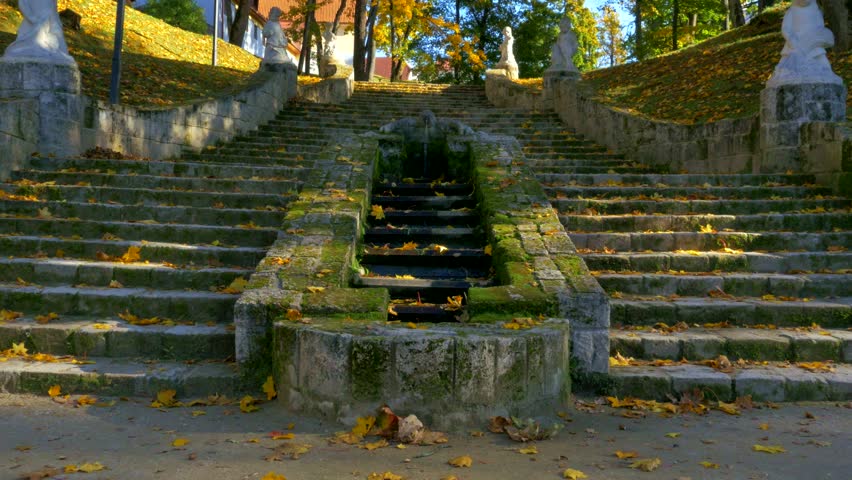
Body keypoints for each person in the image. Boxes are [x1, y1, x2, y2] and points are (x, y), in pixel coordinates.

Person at [3, 0, 75, 65]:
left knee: (54, 45)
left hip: (47, 20)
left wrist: (55, 23)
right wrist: (31, 17)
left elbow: (53, 8)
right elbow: (23, 3)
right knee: (29, 42)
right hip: (34, 21)